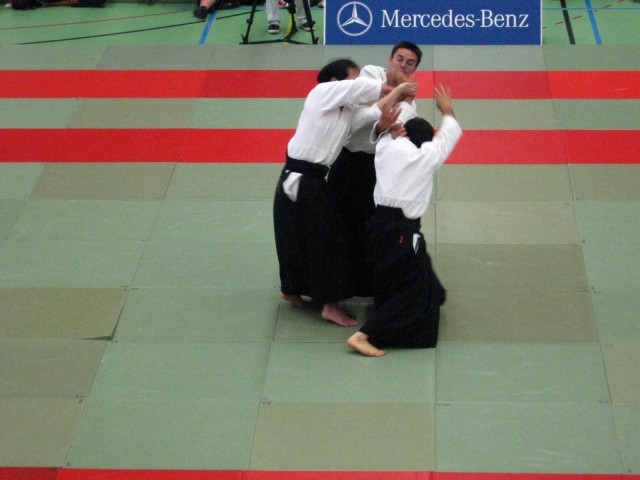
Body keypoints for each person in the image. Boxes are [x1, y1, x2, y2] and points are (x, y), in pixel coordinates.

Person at [273, 59, 417, 328]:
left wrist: (388, 115)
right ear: (334, 82)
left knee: (297, 233)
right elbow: (361, 90)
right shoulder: (320, 94)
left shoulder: (347, 113)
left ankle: (291, 289)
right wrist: (398, 89)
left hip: (311, 179)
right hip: (298, 175)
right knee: (325, 240)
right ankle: (329, 305)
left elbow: (372, 112)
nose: (358, 83)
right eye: (353, 78)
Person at [347, 84, 462, 357]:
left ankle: (436, 295)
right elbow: (447, 138)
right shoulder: (423, 157)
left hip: (377, 227)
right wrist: (447, 110)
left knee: (401, 276)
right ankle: (364, 335)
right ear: (425, 142)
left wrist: (405, 103)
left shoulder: (386, 146)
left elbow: (395, 128)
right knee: (412, 290)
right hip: (402, 233)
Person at [327, 41, 422, 297]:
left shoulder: (410, 107)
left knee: (366, 226)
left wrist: (385, 123)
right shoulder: (370, 73)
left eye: (410, 63)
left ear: (414, 70)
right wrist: (399, 91)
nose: (403, 65)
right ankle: (333, 282)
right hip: (348, 160)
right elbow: (361, 117)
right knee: (336, 223)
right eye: (399, 59)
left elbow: (392, 132)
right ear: (389, 60)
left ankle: (362, 283)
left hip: (374, 168)